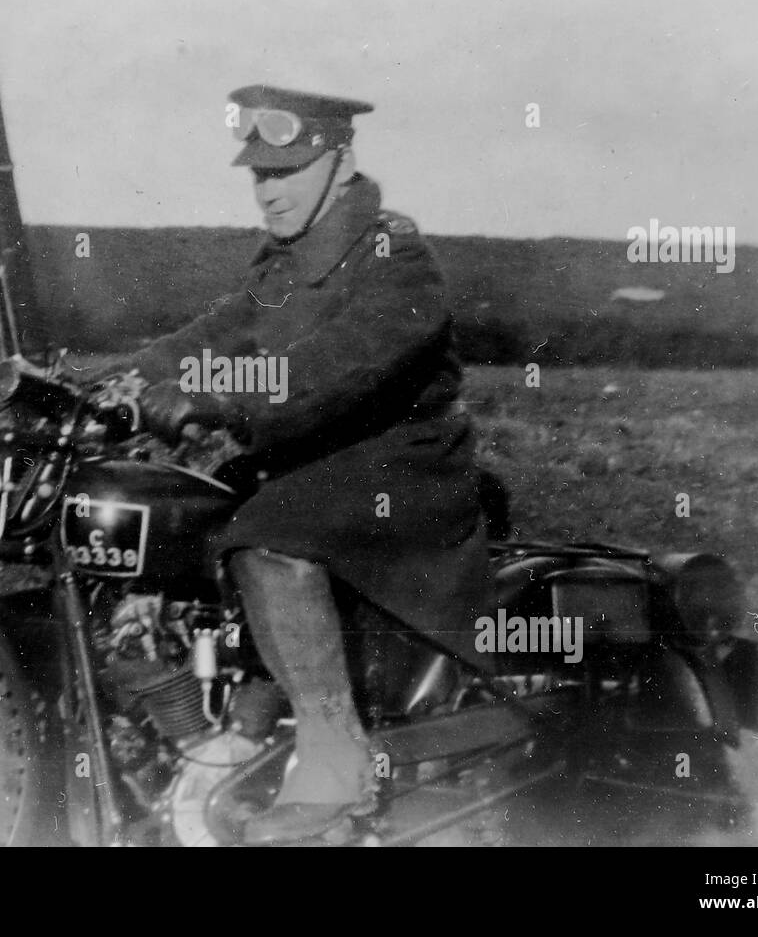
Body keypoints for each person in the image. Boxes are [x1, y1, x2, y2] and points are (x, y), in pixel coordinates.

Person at [104, 84, 491, 844]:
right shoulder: (285, 261)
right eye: (257, 175)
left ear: (340, 162)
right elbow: (218, 330)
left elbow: (333, 370)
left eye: (287, 171)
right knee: (198, 519)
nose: (268, 190)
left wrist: (212, 401)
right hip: (323, 460)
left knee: (271, 535)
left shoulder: (395, 252)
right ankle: (239, 724)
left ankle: (334, 757)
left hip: (404, 471)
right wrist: (118, 380)